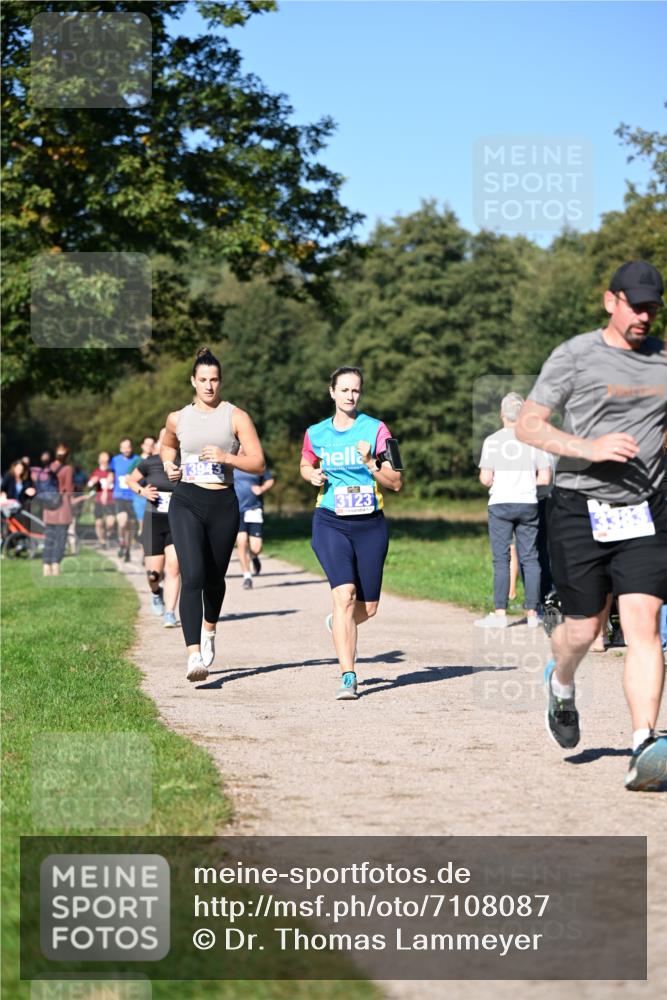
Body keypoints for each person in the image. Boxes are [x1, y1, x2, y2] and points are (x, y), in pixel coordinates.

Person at [516, 260, 667, 792]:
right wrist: (589, 449)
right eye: (636, 305)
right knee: (584, 630)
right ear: (611, 301)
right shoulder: (576, 356)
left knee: (644, 623)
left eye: (654, 306)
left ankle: (644, 745)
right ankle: (560, 683)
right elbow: (529, 424)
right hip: (580, 507)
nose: (645, 315)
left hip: (646, 510)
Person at [161, 346, 265, 681]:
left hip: (223, 504)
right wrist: (167, 463)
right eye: (203, 379)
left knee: (213, 579)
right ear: (193, 381)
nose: (209, 386)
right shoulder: (178, 418)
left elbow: (258, 462)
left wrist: (227, 457)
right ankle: (194, 657)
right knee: (191, 575)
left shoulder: (236, 417)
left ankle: (209, 630)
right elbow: (167, 443)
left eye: (214, 380)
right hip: (186, 500)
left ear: (221, 382)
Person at [300, 366, 402, 700]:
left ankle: (340, 623)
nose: (350, 396)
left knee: (367, 608)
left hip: (370, 524)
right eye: (344, 390)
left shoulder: (378, 430)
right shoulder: (315, 433)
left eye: (355, 390)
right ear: (332, 392)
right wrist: (311, 476)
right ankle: (348, 676)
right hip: (330, 520)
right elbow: (305, 462)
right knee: (344, 594)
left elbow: (397, 481)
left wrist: (371, 462)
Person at [475, 392, 552, 629]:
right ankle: (532, 613)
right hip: (528, 502)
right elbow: (545, 476)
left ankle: (500, 613)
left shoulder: (492, 441)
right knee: (531, 557)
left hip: (500, 504)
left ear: (501, 414)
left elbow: (486, 478)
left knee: (501, 560)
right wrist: (526, 481)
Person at [127, 428, 181, 627]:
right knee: (153, 574)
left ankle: (170, 612)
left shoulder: (183, 462)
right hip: (154, 521)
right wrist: (142, 491)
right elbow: (130, 480)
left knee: (174, 568)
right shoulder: (149, 462)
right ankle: (156, 592)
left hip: (177, 521)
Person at [234, 450, 275, 589]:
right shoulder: (231, 463)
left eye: (244, 447)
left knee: (256, 547)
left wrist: (262, 488)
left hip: (254, 508)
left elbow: (269, 480)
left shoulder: (256, 464)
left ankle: (253, 556)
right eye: (239, 447)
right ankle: (247, 576)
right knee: (241, 542)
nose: (241, 450)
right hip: (236, 510)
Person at [42, 443, 74, 577]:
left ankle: (46, 567)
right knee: (60, 538)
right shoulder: (68, 469)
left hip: (49, 508)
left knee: (49, 538)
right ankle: (55, 567)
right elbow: (69, 489)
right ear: (67, 455)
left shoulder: (47, 468)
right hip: (62, 507)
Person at [110, 437, 139, 562]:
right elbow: (111, 474)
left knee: (131, 525)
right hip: (120, 496)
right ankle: (121, 542)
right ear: (120, 448)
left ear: (132, 447)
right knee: (122, 522)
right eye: (124, 447)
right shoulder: (115, 460)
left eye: (128, 446)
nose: (126, 449)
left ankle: (127, 549)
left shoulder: (137, 460)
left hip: (134, 496)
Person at [129, 435, 156, 537]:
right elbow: (128, 479)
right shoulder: (137, 461)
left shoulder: (158, 460)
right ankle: (144, 550)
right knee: (143, 525)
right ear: (142, 446)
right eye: (147, 444)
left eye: (152, 444)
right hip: (140, 497)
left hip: (155, 496)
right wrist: (140, 490)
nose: (149, 447)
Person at [87, 451, 116, 548]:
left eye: (106, 459)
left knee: (110, 523)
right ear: (99, 460)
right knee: (99, 523)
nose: (104, 461)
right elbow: (89, 485)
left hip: (111, 501)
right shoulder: (96, 472)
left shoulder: (113, 471)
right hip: (98, 501)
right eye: (102, 459)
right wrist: (93, 481)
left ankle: (108, 534)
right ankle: (102, 541)